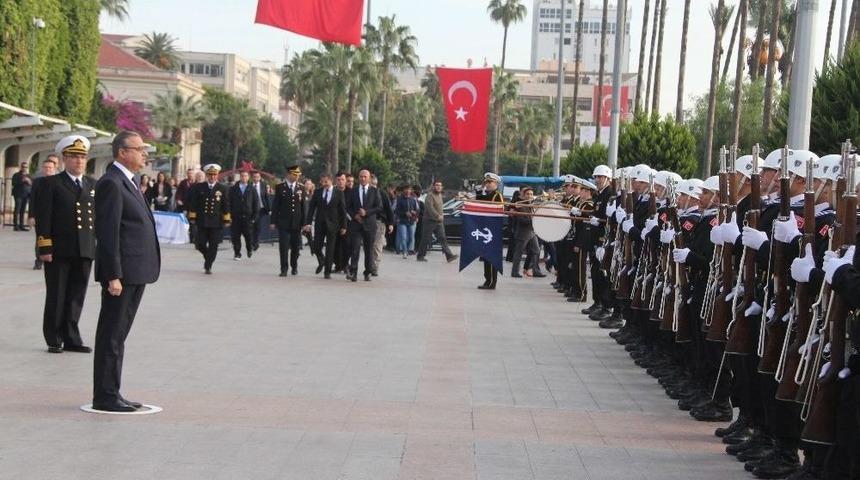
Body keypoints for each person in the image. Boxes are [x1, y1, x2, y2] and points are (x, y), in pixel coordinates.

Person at [92, 130, 161, 412]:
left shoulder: (129, 182)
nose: (144, 153)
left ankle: (113, 391)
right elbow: (108, 235)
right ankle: (105, 396)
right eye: (139, 148)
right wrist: (113, 275)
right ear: (122, 152)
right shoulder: (112, 183)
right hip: (122, 275)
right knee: (111, 334)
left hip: (135, 272)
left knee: (118, 335)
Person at [33, 136, 96, 354]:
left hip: (84, 248)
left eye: (82, 157)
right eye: (74, 157)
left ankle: (72, 337)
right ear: (64, 159)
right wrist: (45, 247)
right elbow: (44, 217)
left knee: (76, 296)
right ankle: (54, 338)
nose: (79, 161)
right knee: (57, 295)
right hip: (59, 249)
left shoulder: (92, 184)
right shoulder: (51, 184)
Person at [187, 164, 231, 274]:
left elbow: (225, 204)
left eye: (214, 175)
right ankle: (208, 257)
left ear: (217, 175)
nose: (212, 177)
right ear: (207, 175)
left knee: (213, 245)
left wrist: (226, 219)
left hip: (216, 221)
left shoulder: (222, 188)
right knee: (200, 244)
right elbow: (194, 203)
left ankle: (208, 265)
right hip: (202, 220)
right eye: (210, 175)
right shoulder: (199, 187)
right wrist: (192, 216)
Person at [303, 173, 347, 279]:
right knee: (316, 246)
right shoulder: (317, 192)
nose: (324, 184)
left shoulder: (339, 193)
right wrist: (307, 223)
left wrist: (344, 226)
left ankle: (327, 271)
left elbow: (342, 211)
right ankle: (322, 261)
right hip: (320, 224)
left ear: (331, 181)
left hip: (333, 225)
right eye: (322, 182)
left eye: (326, 181)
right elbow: (312, 209)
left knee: (330, 249)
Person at [345, 169, 382, 282]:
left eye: (365, 177)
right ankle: (353, 272)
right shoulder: (353, 191)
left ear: (369, 178)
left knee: (369, 250)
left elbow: (379, 207)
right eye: (361, 176)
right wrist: (354, 215)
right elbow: (348, 207)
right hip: (356, 224)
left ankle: (367, 272)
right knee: (355, 248)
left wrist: (367, 213)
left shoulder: (374, 191)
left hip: (369, 225)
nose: (363, 179)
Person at [270, 165, 306, 277]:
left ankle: (294, 266)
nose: (296, 177)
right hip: (284, 222)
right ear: (289, 174)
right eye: (294, 175)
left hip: (297, 223)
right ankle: (284, 269)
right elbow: (276, 206)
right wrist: (273, 221)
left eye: (298, 175)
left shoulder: (301, 188)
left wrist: (304, 223)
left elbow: (304, 207)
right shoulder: (280, 187)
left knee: (295, 247)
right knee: (284, 247)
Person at [28, 155, 59, 270]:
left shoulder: (59, 182)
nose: (48, 169)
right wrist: (31, 215)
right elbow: (33, 199)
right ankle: (39, 260)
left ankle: (53, 258)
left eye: (50, 168)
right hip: (41, 215)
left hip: (56, 216)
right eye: (45, 167)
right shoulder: (38, 182)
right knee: (40, 238)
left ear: (55, 168)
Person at [416, 180, 457, 263]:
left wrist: (441, 216)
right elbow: (430, 208)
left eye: (440, 185)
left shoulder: (440, 195)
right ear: (433, 186)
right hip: (429, 221)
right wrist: (437, 216)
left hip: (438, 222)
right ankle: (420, 255)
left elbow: (440, 208)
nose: (438, 187)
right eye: (437, 185)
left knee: (442, 238)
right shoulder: (430, 195)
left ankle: (449, 255)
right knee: (425, 238)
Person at [476, 172, 504, 290]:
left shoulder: (497, 196)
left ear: (496, 183)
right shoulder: (488, 195)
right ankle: (487, 280)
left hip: (493, 231)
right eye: (486, 182)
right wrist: (478, 193)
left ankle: (492, 282)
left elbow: (498, 210)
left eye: (490, 182)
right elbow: (480, 200)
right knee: (486, 257)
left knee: (491, 257)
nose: (487, 184)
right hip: (486, 230)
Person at [510, 187, 544, 278]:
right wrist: (534, 219)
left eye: (531, 194)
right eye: (528, 194)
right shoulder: (521, 206)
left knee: (536, 250)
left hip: (532, 232)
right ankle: (515, 272)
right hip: (523, 232)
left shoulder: (532, 205)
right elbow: (521, 220)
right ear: (524, 196)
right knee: (519, 253)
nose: (530, 196)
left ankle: (533, 269)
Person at [229, 170, 260, 260]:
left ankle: (249, 249)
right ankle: (237, 253)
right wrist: (229, 216)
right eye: (242, 176)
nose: (244, 178)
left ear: (248, 177)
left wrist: (254, 217)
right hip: (236, 217)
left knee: (248, 236)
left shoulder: (252, 189)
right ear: (240, 177)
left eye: (245, 176)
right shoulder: (233, 188)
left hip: (248, 217)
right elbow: (229, 202)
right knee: (235, 237)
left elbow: (256, 204)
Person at [371, 175, 394, 275]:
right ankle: (369, 266)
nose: (373, 186)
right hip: (367, 222)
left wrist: (391, 223)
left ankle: (374, 267)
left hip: (379, 222)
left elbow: (389, 209)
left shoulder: (382, 193)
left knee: (377, 245)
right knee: (369, 246)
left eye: (374, 184)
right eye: (371, 184)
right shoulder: (364, 193)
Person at [395, 184, 419, 259]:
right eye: (406, 189)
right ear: (403, 190)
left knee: (411, 237)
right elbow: (396, 211)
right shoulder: (399, 199)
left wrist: (414, 214)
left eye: (409, 189)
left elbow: (417, 210)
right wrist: (405, 213)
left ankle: (408, 250)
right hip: (402, 221)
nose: (408, 191)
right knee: (403, 237)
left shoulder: (413, 199)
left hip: (411, 221)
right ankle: (404, 251)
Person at [250, 171, 270, 251]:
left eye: (257, 177)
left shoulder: (263, 185)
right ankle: (251, 242)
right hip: (251, 209)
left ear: (260, 177)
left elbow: (266, 197)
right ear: (252, 177)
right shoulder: (249, 185)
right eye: (254, 177)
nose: (256, 178)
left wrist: (269, 209)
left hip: (261, 209)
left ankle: (256, 242)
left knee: (257, 226)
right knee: (251, 226)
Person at [12, 161, 32, 231]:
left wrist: (29, 182)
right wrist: (22, 180)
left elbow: (31, 184)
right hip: (18, 194)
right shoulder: (16, 175)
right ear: (21, 167)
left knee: (23, 211)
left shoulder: (29, 175)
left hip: (26, 195)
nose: (24, 168)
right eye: (23, 167)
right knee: (17, 210)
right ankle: (15, 226)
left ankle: (21, 225)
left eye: (26, 167)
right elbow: (13, 183)